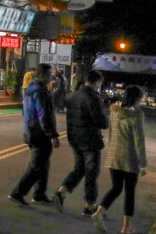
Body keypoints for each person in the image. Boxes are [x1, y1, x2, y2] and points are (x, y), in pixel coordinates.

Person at [92, 85, 147, 234]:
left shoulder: (115, 112)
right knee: (130, 192)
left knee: (116, 188)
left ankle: (98, 212)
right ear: (136, 98)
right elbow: (139, 140)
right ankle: (126, 227)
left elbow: (112, 134)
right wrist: (142, 164)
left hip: (115, 155)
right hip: (130, 158)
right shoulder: (136, 114)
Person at [54, 69, 108, 215]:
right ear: (98, 82)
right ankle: (90, 205)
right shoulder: (93, 97)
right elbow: (102, 122)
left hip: (74, 137)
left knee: (79, 169)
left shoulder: (73, 95)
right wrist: (107, 119)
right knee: (91, 172)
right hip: (89, 139)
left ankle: (61, 192)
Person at [9, 63, 60, 207]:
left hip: (30, 130)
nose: (51, 77)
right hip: (39, 133)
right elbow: (43, 114)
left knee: (43, 164)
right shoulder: (40, 91)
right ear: (42, 75)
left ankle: (39, 194)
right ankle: (18, 193)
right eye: (49, 74)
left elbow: (25, 112)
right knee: (37, 166)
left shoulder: (31, 89)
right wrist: (52, 134)